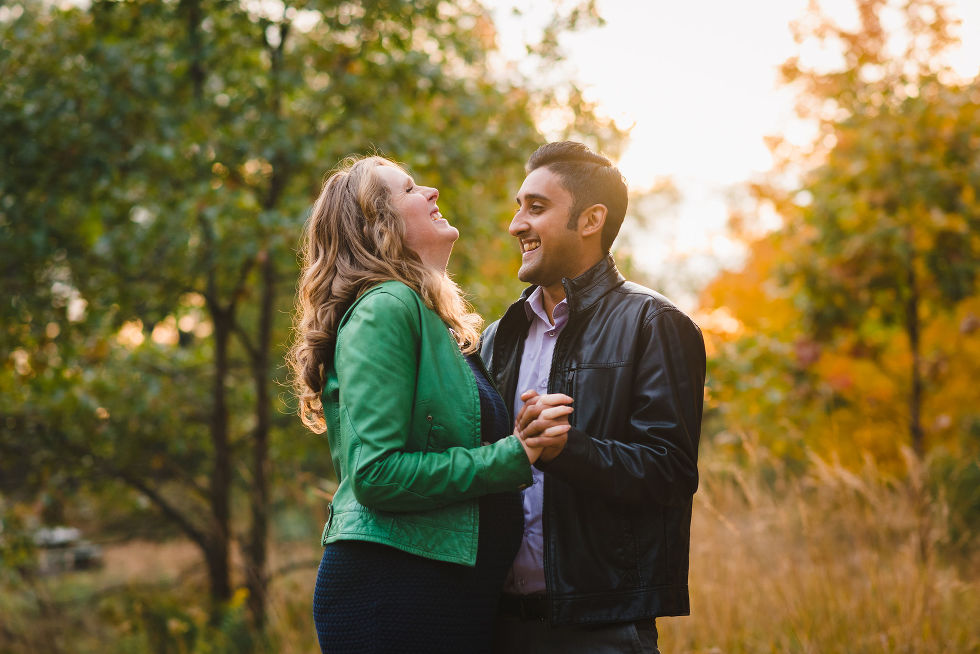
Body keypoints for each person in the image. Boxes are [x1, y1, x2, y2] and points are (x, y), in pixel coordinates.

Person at [287, 155, 572, 653]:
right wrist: (513, 454)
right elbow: (377, 474)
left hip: (442, 593)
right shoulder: (385, 308)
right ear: (379, 225)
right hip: (396, 595)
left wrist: (520, 433)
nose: (432, 192)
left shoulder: (423, 316)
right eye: (411, 189)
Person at [481, 141, 706, 653]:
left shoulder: (655, 323)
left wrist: (569, 450)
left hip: (600, 628)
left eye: (535, 208)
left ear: (591, 220)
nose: (517, 224)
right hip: (494, 624)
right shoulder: (499, 336)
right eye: (519, 207)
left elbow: (671, 473)